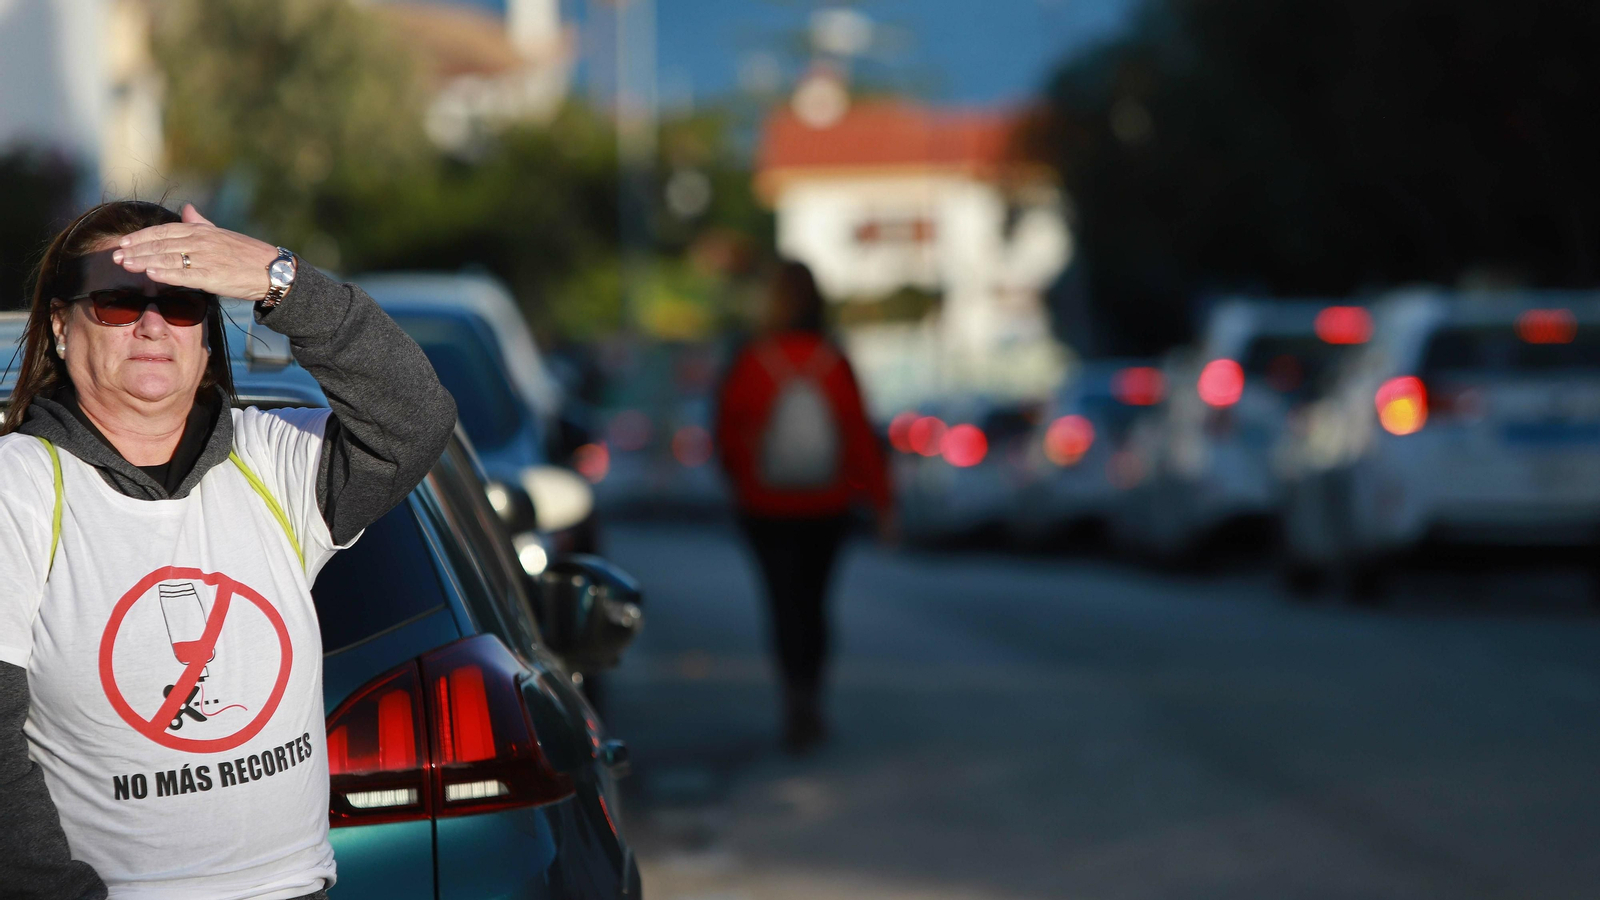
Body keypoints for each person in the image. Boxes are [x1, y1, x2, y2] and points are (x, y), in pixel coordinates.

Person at [0, 201, 456, 899]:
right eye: (119, 302)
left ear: (206, 337)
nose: (153, 324)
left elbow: (414, 420)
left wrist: (283, 283)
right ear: (62, 327)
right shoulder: (20, 484)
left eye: (181, 302)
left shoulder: (274, 459)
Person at [714, 260, 892, 753]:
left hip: (764, 506)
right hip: (826, 505)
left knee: (780, 603)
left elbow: (727, 437)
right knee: (814, 605)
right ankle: (812, 699)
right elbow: (859, 437)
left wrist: (741, 484)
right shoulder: (833, 361)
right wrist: (882, 506)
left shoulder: (750, 362)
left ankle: (792, 701)